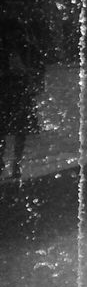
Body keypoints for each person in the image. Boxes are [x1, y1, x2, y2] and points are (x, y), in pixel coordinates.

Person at [0, 12, 44, 180]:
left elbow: (37, 66)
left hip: (15, 90)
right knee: (12, 129)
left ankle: (14, 164)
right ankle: (9, 163)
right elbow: (38, 66)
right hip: (13, 90)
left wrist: (31, 76)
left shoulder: (24, 47)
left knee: (15, 129)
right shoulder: (16, 46)